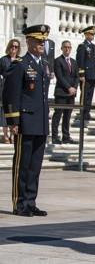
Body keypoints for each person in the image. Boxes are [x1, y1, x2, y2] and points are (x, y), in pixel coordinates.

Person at [3, 24, 50, 217]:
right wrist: (13, 121)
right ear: (29, 41)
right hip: (25, 121)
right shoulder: (20, 64)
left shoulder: (43, 64)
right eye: (38, 41)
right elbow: (10, 94)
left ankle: (31, 201)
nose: (41, 44)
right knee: (22, 164)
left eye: (43, 41)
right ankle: (19, 203)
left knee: (35, 166)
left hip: (40, 122)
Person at [51, 41, 78, 144]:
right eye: (65, 47)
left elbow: (76, 76)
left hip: (71, 94)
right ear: (62, 48)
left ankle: (66, 136)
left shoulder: (74, 62)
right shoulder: (58, 61)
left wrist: (74, 88)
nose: (67, 49)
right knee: (58, 115)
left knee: (68, 115)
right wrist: (68, 88)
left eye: (69, 47)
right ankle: (54, 136)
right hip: (61, 92)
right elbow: (60, 76)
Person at [0, 39, 21, 144]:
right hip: (4, 90)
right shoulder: (3, 60)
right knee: (4, 113)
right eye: (12, 46)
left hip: (16, 91)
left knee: (14, 114)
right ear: (9, 47)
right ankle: (5, 135)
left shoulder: (20, 60)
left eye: (16, 46)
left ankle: (13, 135)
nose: (14, 48)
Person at [76, 25, 95, 121]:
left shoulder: (92, 46)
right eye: (91, 34)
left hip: (92, 74)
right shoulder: (82, 46)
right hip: (86, 75)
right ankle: (82, 113)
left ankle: (87, 112)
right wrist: (81, 75)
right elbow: (80, 61)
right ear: (86, 34)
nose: (92, 36)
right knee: (85, 95)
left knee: (90, 95)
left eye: (93, 34)